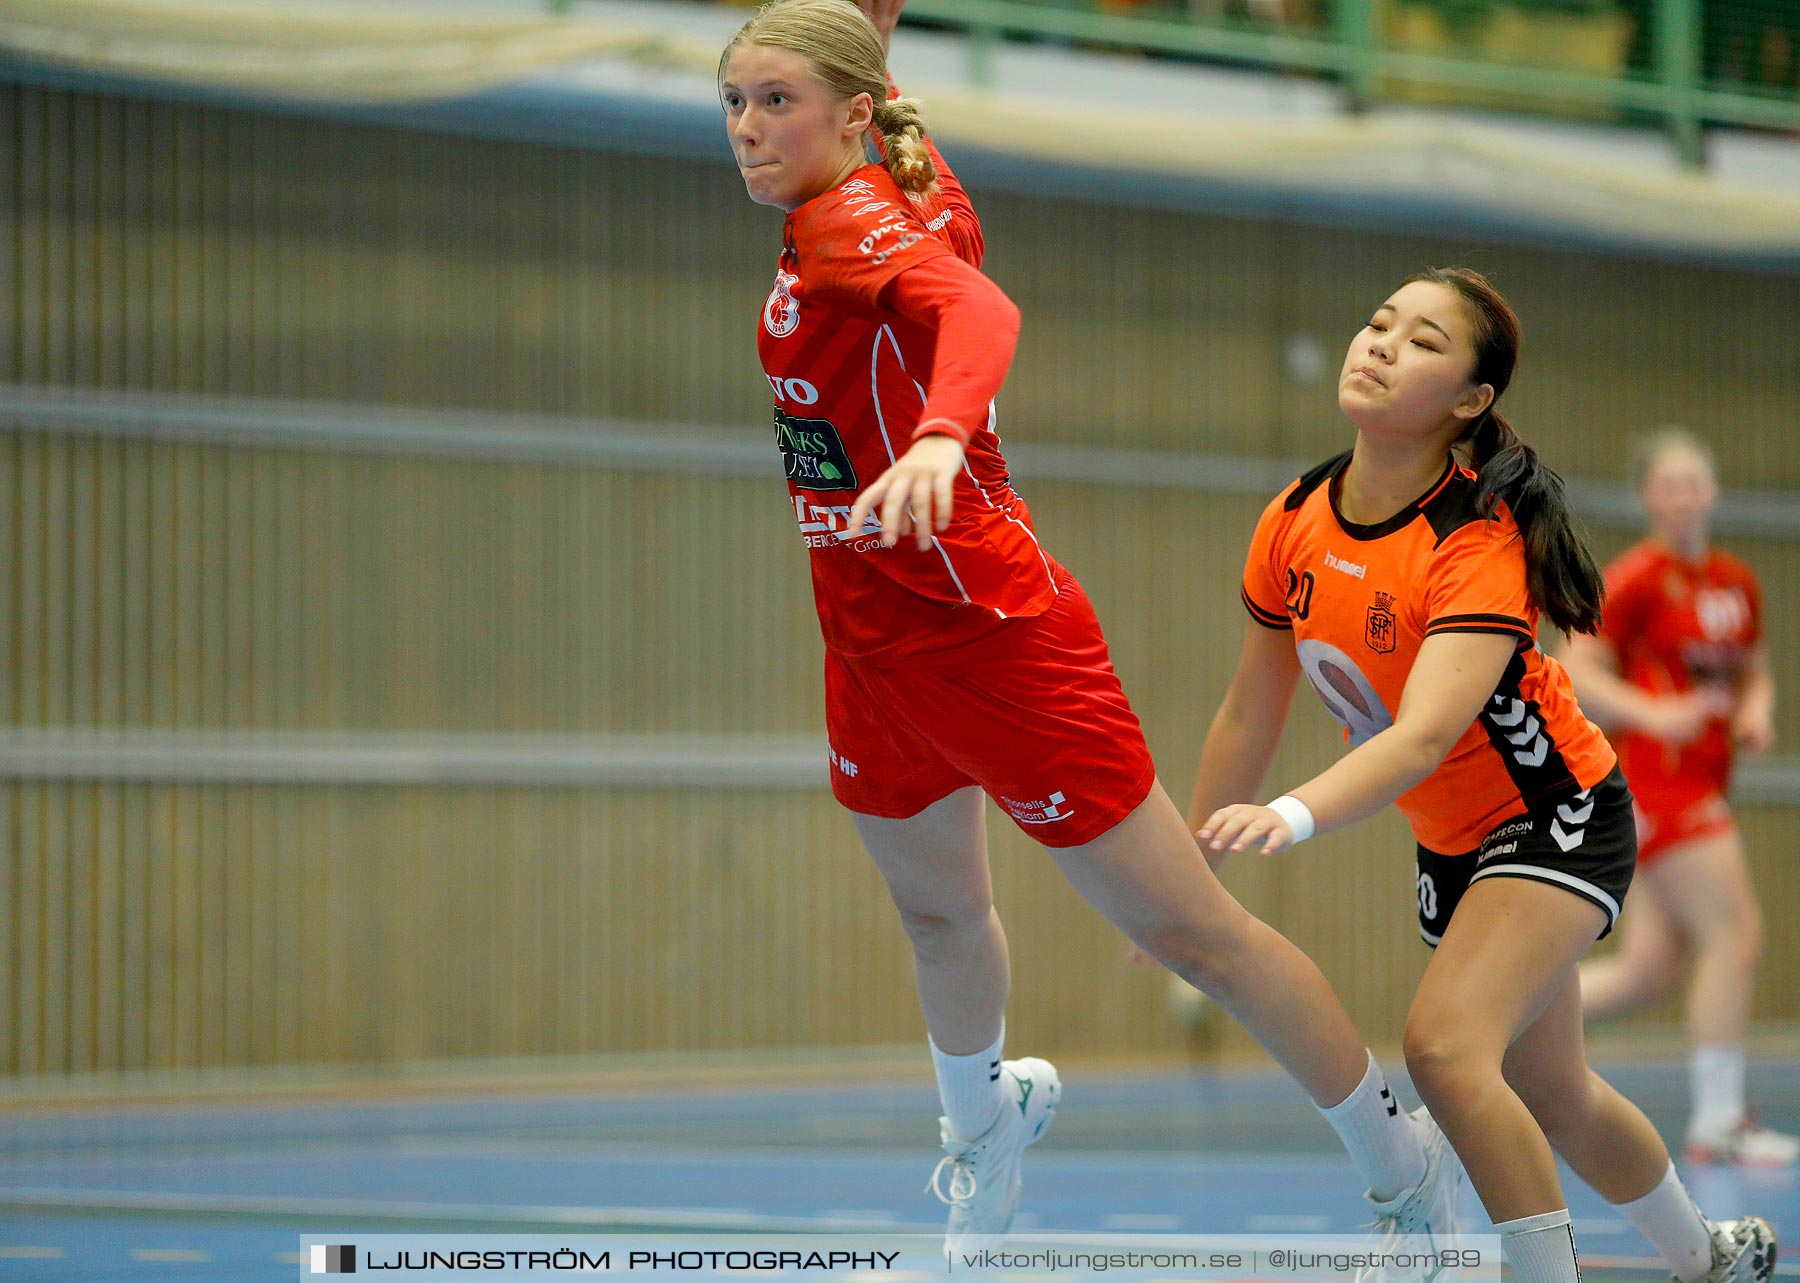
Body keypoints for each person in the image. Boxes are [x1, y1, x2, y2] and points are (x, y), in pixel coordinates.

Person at [719, 0, 1460, 1257]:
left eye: (773, 101)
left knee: (1194, 934)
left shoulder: (851, 226)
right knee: (941, 917)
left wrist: (944, 435)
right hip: (872, 643)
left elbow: (983, 315)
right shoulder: (901, 163)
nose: (746, 127)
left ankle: (1404, 1166)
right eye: (733, 102)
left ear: (847, 115)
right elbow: (870, 76)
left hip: (993, 637)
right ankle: (987, 1128)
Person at [1192, 268, 1777, 1283]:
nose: (1379, 343)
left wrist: (1290, 814)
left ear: (1471, 400)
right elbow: (1251, 706)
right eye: (1378, 321)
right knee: (1556, 1088)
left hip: (1557, 810)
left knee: (1447, 1048)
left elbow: (1421, 737)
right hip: (1457, 840)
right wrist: (1189, 877)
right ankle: (1710, 1256)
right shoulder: (1293, 514)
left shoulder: (1475, 537)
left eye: (1422, 340)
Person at [1562, 428, 1795, 1166]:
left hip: (1705, 774)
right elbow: (1575, 667)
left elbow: (1754, 668)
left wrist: (1757, 708)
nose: (1685, 494)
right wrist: (1653, 712)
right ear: (1649, 498)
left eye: (1696, 480)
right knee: (1736, 931)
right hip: (1663, 782)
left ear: (1714, 490)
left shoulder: (1734, 580)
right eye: (1670, 483)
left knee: (1650, 970)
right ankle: (1720, 1121)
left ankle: (1496, 1031)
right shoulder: (1635, 578)